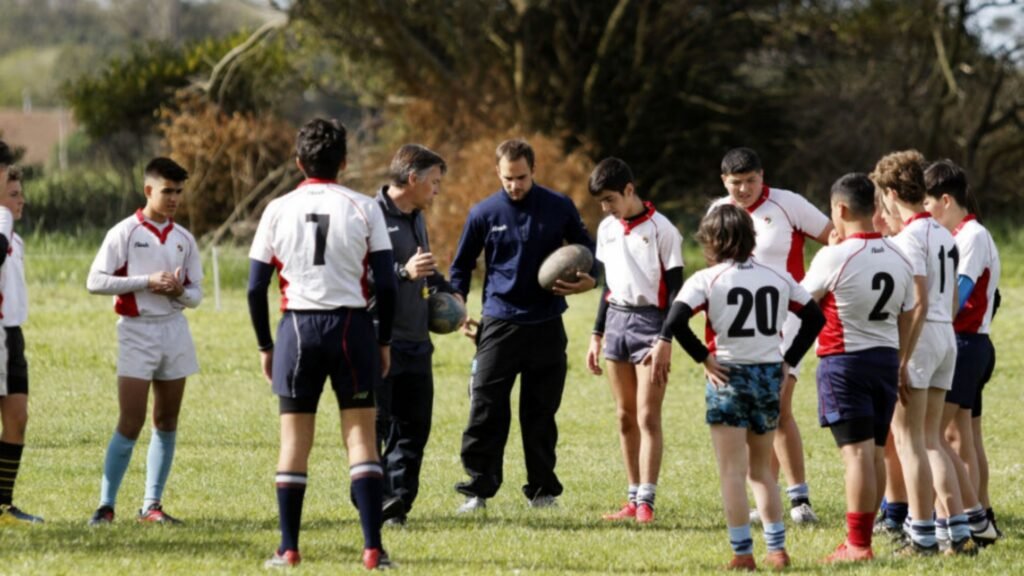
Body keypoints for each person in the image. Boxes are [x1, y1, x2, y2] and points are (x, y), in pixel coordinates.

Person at [247, 118, 397, 570]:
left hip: (297, 329)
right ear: (345, 162)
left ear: (298, 162)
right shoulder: (364, 207)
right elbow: (387, 283)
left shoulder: (277, 208)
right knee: (362, 438)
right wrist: (383, 340)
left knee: (294, 442)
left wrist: (265, 345)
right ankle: (373, 549)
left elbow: (255, 287)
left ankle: (289, 549)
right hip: (352, 328)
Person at [662, 204, 823, 570]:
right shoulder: (778, 276)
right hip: (768, 376)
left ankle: (743, 554)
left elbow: (675, 320)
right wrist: (788, 359)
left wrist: (704, 357)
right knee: (762, 471)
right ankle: (777, 550)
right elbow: (815, 317)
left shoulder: (706, 279)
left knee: (732, 473)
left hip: (728, 377)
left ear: (712, 241)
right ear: (752, 238)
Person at [450, 139, 596, 513]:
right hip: (499, 323)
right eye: (508, 178)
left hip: (547, 322)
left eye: (521, 177)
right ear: (498, 174)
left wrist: (589, 279)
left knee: (541, 414)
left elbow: (588, 250)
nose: (515, 185)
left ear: (534, 171)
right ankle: (478, 490)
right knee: (485, 410)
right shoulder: (483, 212)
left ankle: (542, 491)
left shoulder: (559, 206)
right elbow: (461, 265)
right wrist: (457, 301)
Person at [711, 147, 832, 524]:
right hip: (741, 328)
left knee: (778, 406)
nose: (744, 189)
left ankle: (800, 501)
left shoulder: (787, 204)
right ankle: (768, 496)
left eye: (751, 180)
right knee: (757, 414)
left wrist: (816, 289)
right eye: (736, 182)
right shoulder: (719, 212)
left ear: (763, 176)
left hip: (788, 319)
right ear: (724, 181)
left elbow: (836, 239)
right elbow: (714, 276)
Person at [801, 173, 915, 563]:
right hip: (885, 359)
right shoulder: (900, 255)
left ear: (841, 209)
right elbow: (908, 311)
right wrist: (900, 359)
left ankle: (858, 544)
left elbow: (800, 302)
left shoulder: (835, 256)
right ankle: (863, 539)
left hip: (844, 361)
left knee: (856, 456)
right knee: (877, 452)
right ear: (875, 207)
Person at [86, 157, 203, 526]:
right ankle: (105, 506)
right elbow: (95, 281)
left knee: (166, 420)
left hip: (174, 330)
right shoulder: (124, 232)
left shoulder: (184, 238)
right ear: (148, 190)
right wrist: (146, 281)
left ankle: (151, 505)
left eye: (179, 192)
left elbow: (196, 296)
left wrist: (179, 291)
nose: (174, 199)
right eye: (167, 191)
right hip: (136, 331)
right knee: (130, 420)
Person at [873, 150, 979, 556]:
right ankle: (958, 531)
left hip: (920, 338)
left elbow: (916, 302)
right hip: (945, 334)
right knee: (932, 438)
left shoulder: (909, 238)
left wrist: (901, 358)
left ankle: (921, 536)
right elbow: (949, 299)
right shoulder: (944, 233)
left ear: (891, 193)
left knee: (909, 440)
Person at [585, 158, 683, 524]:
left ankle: (647, 501)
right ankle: (631, 497)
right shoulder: (607, 228)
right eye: (601, 202)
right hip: (616, 322)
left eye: (610, 199)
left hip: (651, 324)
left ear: (629, 190)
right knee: (624, 416)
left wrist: (665, 338)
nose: (605, 208)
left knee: (646, 415)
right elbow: (608, 287)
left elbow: (676, 293)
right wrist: (596, 334)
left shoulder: (663, 230)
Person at [372, 144, 457, 526]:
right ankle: (373, 499)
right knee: (375, 428)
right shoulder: (369, 215)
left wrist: (449, 293)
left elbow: (424, 269)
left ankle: (398, 507)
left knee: (414, 430)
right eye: (434, 182)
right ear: (412, 179)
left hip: (418, 343)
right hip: (379, 340)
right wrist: (402, 272)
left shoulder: (417, 217)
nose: (437, 190)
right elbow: (357, 275)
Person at [922, 159, 1002, 546]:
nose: (924, 211)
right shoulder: (961, 234)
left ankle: (958, 520)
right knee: (964, 437)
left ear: (946, 200)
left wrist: (928, 326)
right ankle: (982, 516)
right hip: (968, 344)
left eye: (927, 203)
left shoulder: (971, 236)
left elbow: (961, 292)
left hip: (967, 344)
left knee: (936, 437)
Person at [0, 166, 42, 524]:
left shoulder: (17, 240)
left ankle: (3, 504)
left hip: (13, 336)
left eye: (21, 194)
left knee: (17, 417)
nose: (21, 200)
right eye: (13, 194)